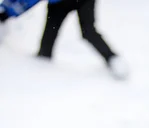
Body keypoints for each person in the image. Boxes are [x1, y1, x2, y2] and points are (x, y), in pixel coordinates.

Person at [0, 0, 128, 80]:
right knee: (48, 39)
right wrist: (6, 12)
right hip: (59, 4)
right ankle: (41, 68)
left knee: (89, 32)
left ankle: (113, 59)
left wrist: (6, 13)